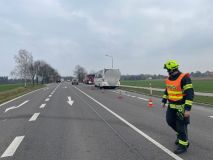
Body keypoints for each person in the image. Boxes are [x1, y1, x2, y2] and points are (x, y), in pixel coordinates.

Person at [162, 60, 194, 154]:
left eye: (168, 70)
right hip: (171, 106)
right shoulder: (169, 78)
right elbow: (167, 90)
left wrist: (187, 109)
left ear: (172, 69)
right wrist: (164, 100)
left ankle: (183, 145)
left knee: (181, 126)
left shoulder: (184, 78)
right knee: (170, 121)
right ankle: (180, 136)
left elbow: (190, 94)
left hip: (181, 107)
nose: (167, 71)